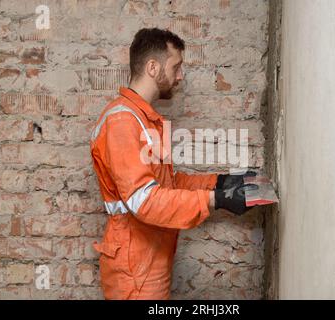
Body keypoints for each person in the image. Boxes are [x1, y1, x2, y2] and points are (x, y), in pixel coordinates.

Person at [90, 28, 256, 300]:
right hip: (135, 270)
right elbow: (145, 202)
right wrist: (216, 199)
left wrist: (220, 182)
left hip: (148, 258)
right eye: (176, 66)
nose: (180, 76)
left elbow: (167, 184)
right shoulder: (122, 122)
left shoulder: (144, 119)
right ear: (153, 67)